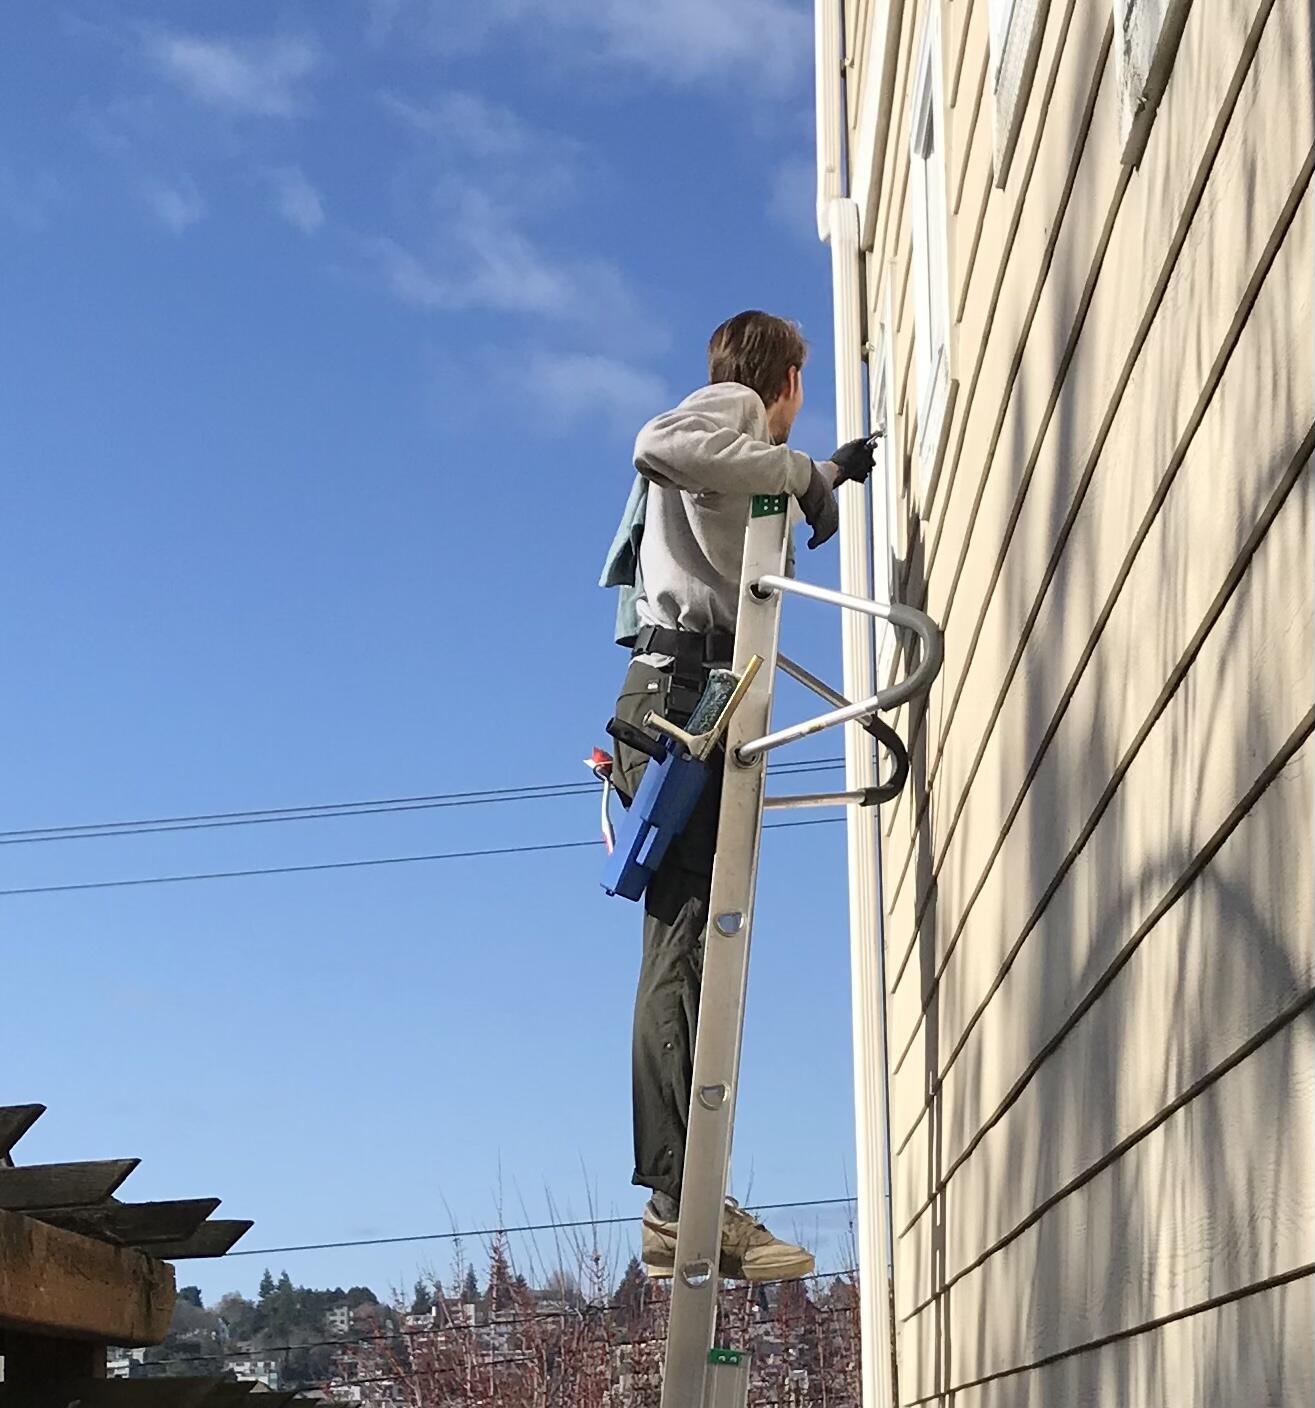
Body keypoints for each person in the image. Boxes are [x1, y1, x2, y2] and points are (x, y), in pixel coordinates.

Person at [606, 310, 875, 1280]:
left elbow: (734, 518)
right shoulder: (726, 418)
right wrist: (802, 473)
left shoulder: (740, 464)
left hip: (693, 695)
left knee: (691, 942)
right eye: (796, 394)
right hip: (686, 696)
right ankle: (681, 1204)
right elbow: (659, 442)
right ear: (787, 381)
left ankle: (681, 1198)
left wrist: (831, 476)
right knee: (682, 944)